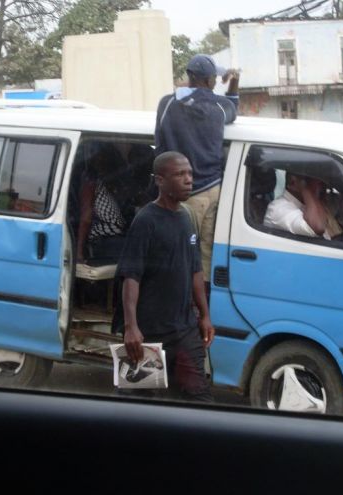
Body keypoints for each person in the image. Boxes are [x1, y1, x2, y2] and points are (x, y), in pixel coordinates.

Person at [116, 151, 215, 402]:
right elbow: (131, 277)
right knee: (139, 400)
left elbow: (195, 270)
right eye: (180, 174)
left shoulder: (187, 217)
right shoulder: (146, 220)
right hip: (148, 333)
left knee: (199, 397)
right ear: (159, 180)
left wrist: (204, 315)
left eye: (190, 173)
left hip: (184, 330)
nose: (188, 179)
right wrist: (131, 328)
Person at [154, 54, 240, 285]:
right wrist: (233, 80)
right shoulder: (220, 107)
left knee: (180, 253)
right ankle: (202, 304)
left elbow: (160, 146)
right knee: (205, 254)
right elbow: (233, 104)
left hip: (184, 194)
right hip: (213, 190)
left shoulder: (168, 103)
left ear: (190, 76)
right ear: (211, 80)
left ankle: (183, 304)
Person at [76, 145, 127, 266]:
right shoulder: (111, 183)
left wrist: (78, 252)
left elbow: (86, 218)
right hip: (117, 238)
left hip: (108, 242)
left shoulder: (91, 181)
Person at [264, 172, 343, 240]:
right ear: (293, 182)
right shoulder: (278, 208)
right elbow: (317, 227)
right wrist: (305, 188)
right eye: (316, 182)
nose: (322, 186)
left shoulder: (306, 205)